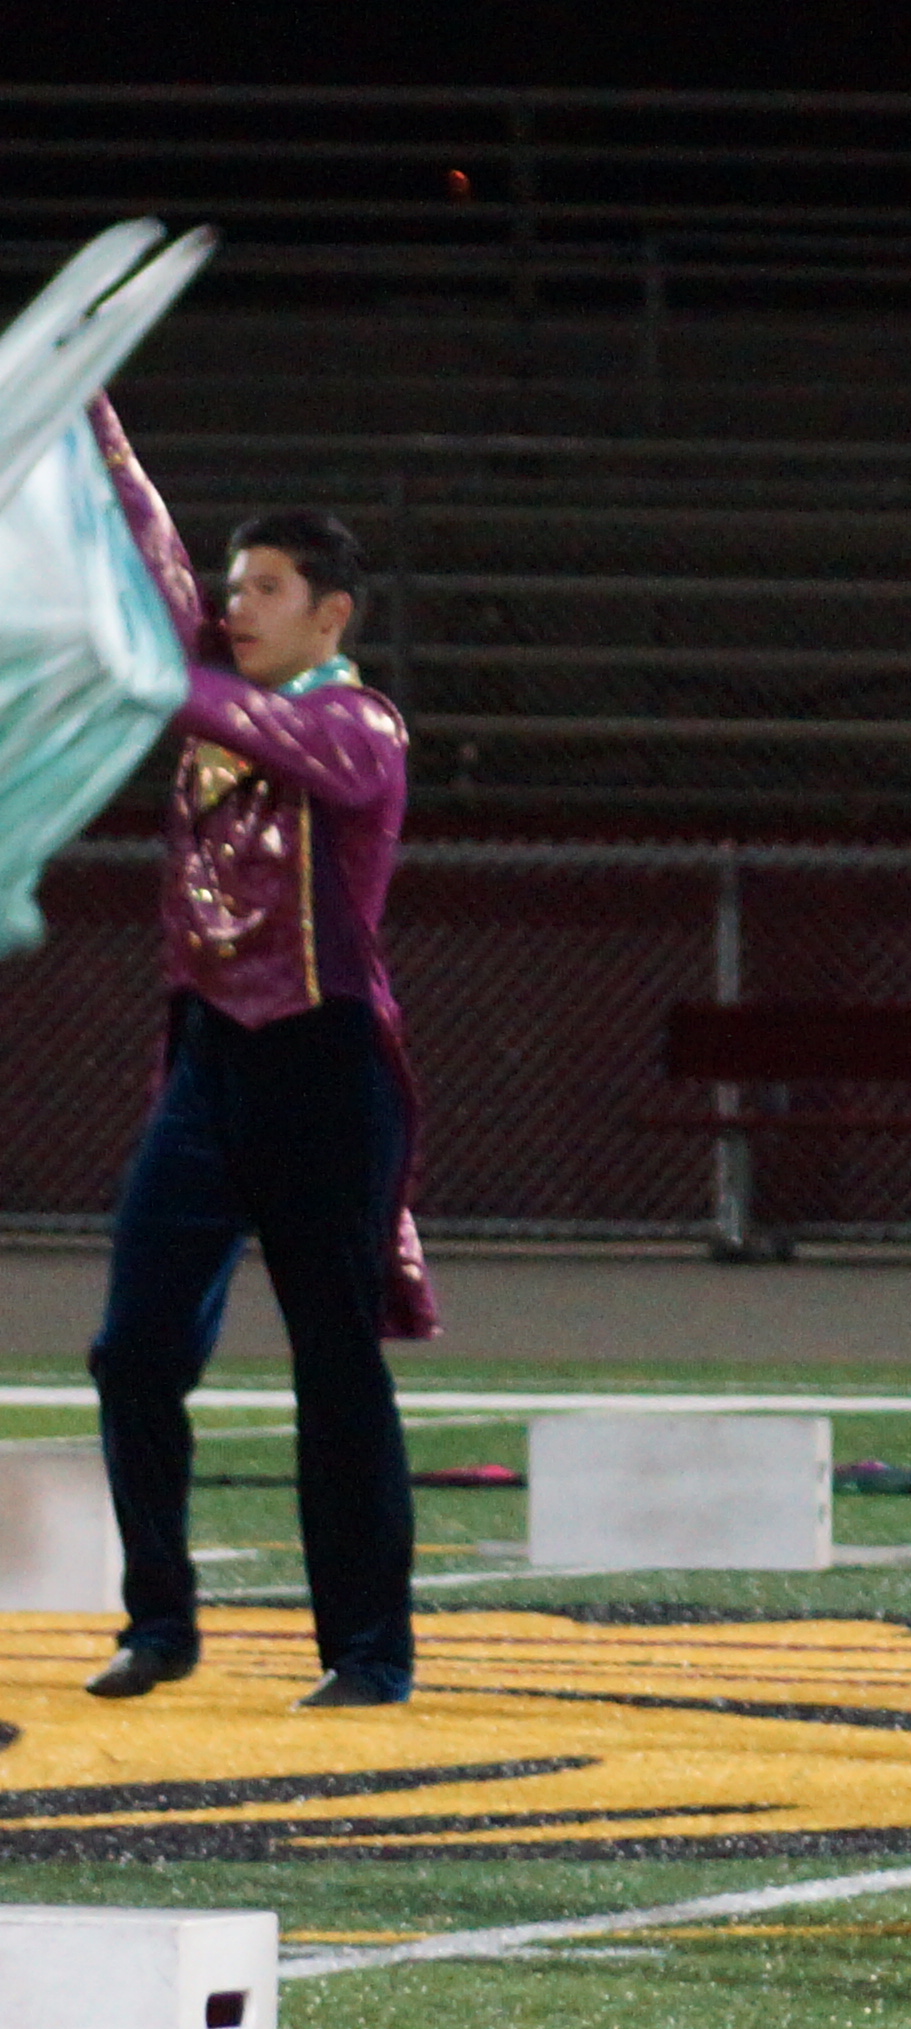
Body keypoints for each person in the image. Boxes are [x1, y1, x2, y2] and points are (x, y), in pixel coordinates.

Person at [78, 404, 424, 1710]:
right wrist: (94, 414)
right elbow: (158, 566)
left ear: (332, 617)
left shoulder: (362, 728)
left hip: (325, 1072)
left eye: (267, 589)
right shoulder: (212, 697)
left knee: (334, 1360)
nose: (236, 605)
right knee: (133, 1350)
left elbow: (263, 726)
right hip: (209, 1069)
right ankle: (160, 1622)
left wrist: (165, 672)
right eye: (235, 588)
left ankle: (370, 1652)